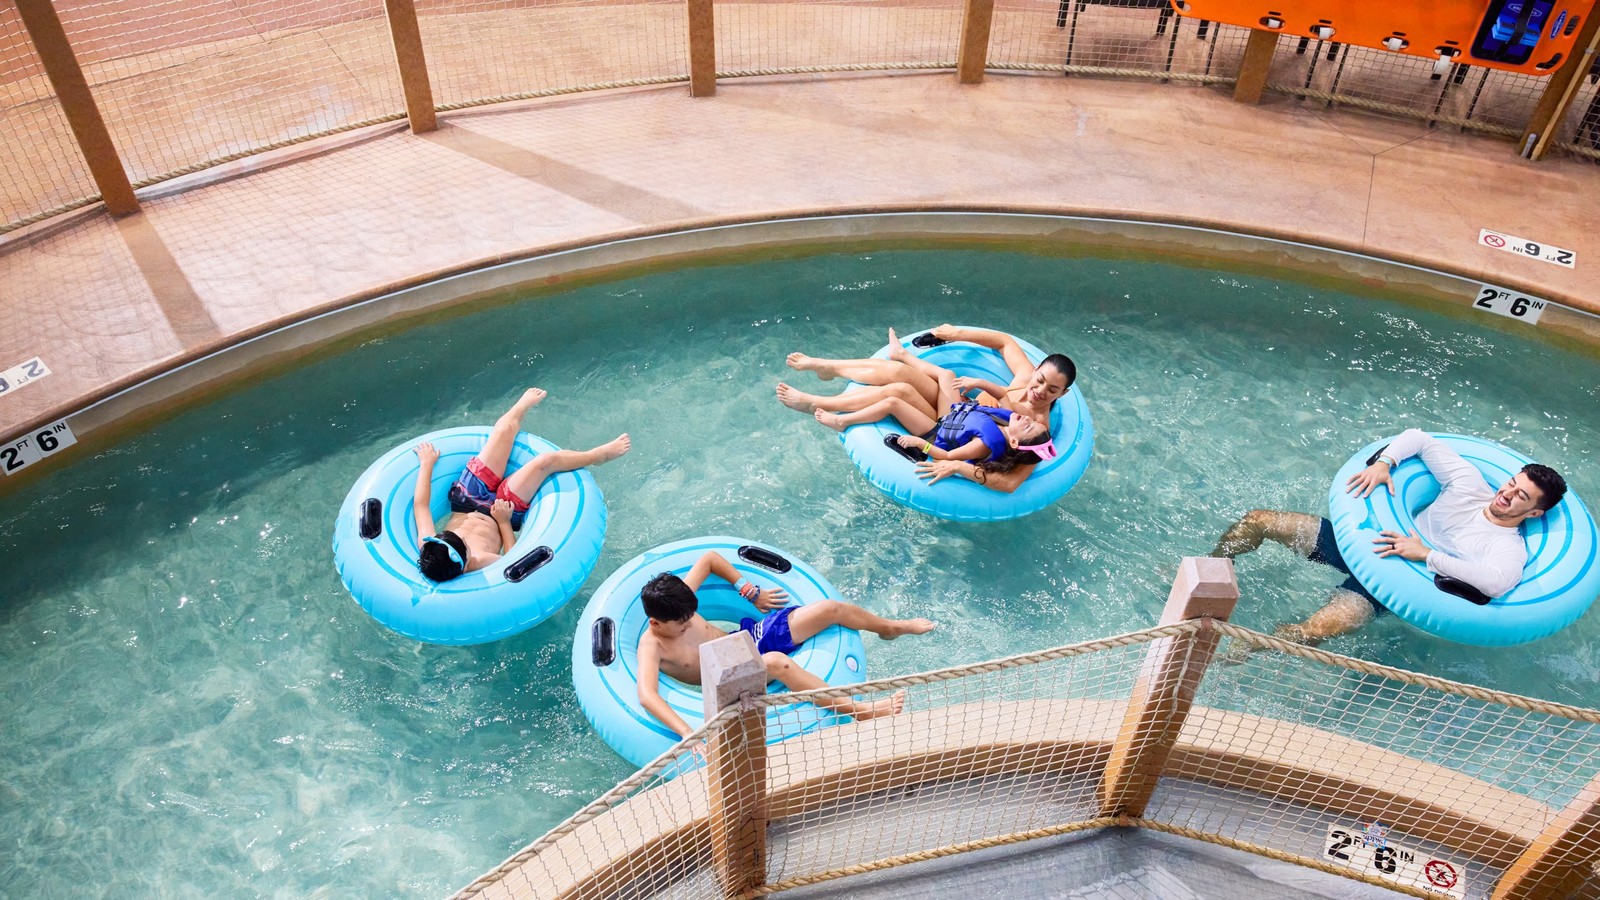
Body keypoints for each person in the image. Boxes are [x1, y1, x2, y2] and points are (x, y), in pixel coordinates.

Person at [1212, 428, 1567, 647]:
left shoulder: (1507, 546)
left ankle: (1245, 649)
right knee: (1258, 520)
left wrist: (1425, 554)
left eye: (1521, 496)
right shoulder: (1469, 484)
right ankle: (1210, 572)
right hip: (1367, 541)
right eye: (1511, 484)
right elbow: (1419, 438)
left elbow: (1498, 583)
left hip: (1391, 586)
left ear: (1535, 512)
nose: (1506, 494)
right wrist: (1385, 463)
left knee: (1307, 632)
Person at [636, 550, 936, 739]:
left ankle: (891, 627)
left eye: (692, 617)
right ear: (656, 623)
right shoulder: (653, 646)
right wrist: (687, 733)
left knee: (830, 609)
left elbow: (710, 558)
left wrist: (749, 591)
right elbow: (647, 696)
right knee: (776, 661)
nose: (690, 623)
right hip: (725, 676)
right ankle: (861, 711)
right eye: (683, 625)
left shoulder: (678, 602)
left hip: (745, 639)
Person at [778, 328, 1064, 492]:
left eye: (1051, 390)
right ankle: (829, 368)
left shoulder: (1036, 430)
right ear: (1036, 371)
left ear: (1062, 394)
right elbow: (1005, 342)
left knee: (898, 392)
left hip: (948, 431)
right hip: (959, 413)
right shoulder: (1025, 380)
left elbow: (1010, 482)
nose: (1038, 391)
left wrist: (957, 465)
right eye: (1040, 380)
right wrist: (955, 333)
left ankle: (816, 403)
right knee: (906, 372)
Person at [413, 388, 630, 582]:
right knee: (545, 462)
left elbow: (421, 506)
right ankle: (595, 456)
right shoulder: (478, 562)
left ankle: (520, 407)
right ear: (467, 560)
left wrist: (427, 464)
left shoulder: (429, 548)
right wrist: (504, 522)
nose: (463, 538)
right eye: (466, 546)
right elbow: (514, 560)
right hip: (502, 512)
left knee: (503, 432)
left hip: (466, 498)